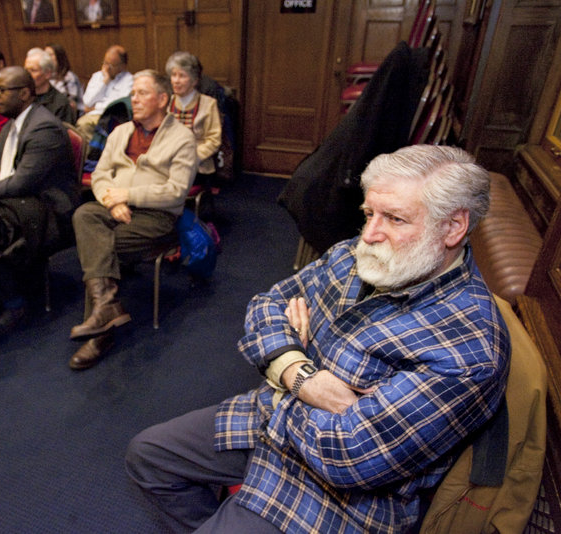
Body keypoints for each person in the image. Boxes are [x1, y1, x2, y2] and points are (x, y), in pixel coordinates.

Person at [125, 145, 511, 533]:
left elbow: (348, 456)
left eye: (394, 218)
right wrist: (299, 373)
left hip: (336, 499)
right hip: (269, 419)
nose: (370, 234)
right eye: (369, 214)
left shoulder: (469, 349)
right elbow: (266, 305)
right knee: (147, 456)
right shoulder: (355, 256)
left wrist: (283, 369)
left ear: (453, 227)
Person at [68, 69, 196, 369]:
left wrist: (127, 195)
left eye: (141, 93)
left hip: (157, 217)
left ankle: (101, 330)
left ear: (162, 99)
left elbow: (176, 192)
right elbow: (99, 175)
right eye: (133, 93)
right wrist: (112, 202)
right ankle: (106, 308)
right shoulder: (120, 132)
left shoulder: (182, 138)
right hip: (116, 205)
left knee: (100, 246)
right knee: (85, 213)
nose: (133, 99)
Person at [0, 66, 77, 338]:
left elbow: (22, 183)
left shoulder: (43, 127)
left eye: (2, 90)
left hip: (49, 209)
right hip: (20, 202)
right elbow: (1, 174)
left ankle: (13, 302)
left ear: (24, 93)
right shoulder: (10, 125)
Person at [166, 51, 221, 186]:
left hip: (198, 165)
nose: (176, 80)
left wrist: (192, 157)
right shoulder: (166, 102)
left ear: (194, 81)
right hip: (168, 161)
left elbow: (214, 140)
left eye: (182, 76)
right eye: (173, 75)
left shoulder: (208, 104)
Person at [76, 45, 132, 139]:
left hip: (112, 117)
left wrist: (96, 107)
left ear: (122, 66)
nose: (106, 68)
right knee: (81, 125)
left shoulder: (129, 81)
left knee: (88, 126)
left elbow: (117, 106)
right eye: (105, 63)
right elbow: (87, 102)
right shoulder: (97, 76)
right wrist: (105, 82)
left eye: (111, 65)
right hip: (93, 116)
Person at [25, 48, 75, 124]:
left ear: (47, 73)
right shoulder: (23, 97)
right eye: (26, 70)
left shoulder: (60, 104)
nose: (27, 75)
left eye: (33, 70)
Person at [45, 43, 84, 118]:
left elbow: (71, 103)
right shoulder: (46, 76)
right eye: (45, 54)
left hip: (68, 114)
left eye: (50, 54)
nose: (47, 58)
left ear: (59, 57)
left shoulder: (69, 77)